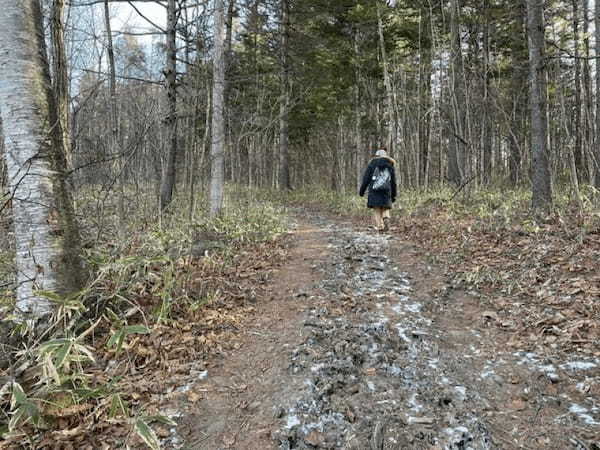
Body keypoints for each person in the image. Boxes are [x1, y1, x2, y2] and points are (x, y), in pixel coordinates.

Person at [359, 148, 397, 232]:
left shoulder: (372, 164)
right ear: (385, 156)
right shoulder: (390, 165)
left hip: (374, 191)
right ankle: (386, 218)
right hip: (386, 191)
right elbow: (393, 182)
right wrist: (394, 195)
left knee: (377, 209)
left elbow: (366, 179)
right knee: (385, 208)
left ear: (376, 156)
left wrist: (362, 191)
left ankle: (380, 227)